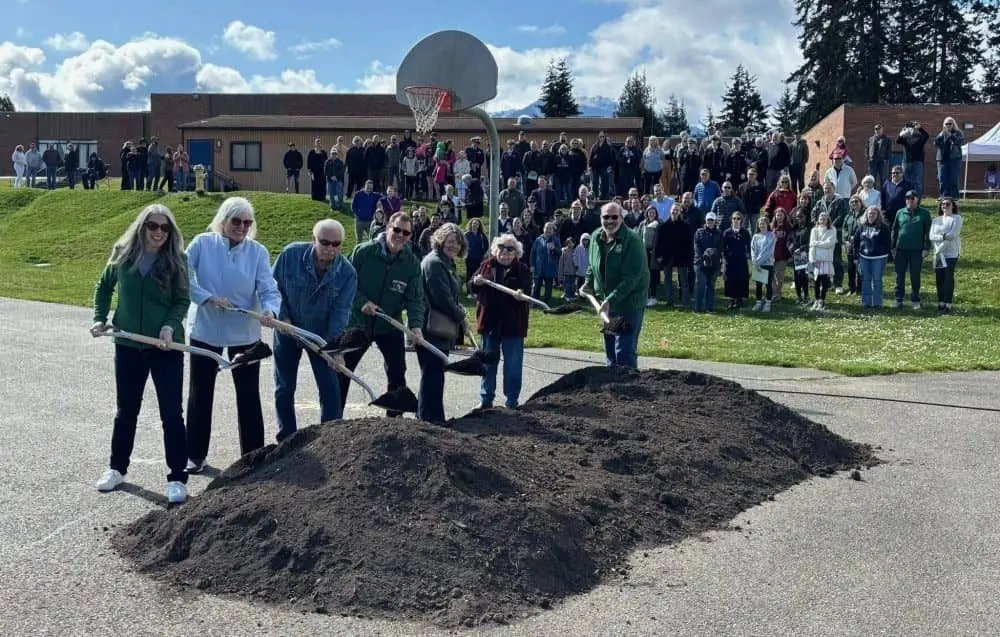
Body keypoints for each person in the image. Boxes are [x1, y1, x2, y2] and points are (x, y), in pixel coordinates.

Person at [89, 204, 191, 503]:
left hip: (165, 348)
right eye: (152, 226)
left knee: (172, 414)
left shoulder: (177, 260)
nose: (158, 232)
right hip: (129, 345)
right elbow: (104, 286)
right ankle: (117, 469)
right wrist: (99, 316)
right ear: (142, 227)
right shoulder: (122, 253)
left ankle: (177, 478)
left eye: (164, 228)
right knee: (126, 411)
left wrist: (170, 328)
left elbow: (182, 301)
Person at [183, 197, 282, 473]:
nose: (241, 227)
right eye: (236, 221)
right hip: (206, 329)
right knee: (200, 392)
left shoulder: (257, 251)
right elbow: (182, 276)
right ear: (223, 221)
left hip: (244, 333)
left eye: (247, 222)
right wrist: (206, 298)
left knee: (248, 394)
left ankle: (252, 456)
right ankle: (194, 454)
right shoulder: (202, 243)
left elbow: (268, 288)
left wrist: (271, 311)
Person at [271, 219, 357, 441]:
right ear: (313, 239)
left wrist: (334, 348)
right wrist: (283, 318)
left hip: (321, 337)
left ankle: (329, 439)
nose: (330, 249)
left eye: (336, 244)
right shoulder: (290, 256)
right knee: (284, 387)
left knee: (330, 389)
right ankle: (286, 439)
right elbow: (273, 289)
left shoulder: (347, 273)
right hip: (287, 330)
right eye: (325, 242)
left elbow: (341, 312)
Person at [337, 211, 426, 417]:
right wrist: (362, 302)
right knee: (342, 370)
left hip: (389, 324)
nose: (400, 235)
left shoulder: (411, 264)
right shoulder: (364, 252)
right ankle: (333, 419)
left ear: (410, 236)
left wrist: (416, 327)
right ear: (387, 228)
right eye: (396, 230)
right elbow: (346, 282)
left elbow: (415, 299)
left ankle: (394, 423)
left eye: (406, 232)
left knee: (397, 372)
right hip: (357, 324)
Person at [581, 201, 649, 368]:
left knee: (624, 350)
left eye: (614, 217)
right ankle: (612, 389)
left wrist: (611, 299)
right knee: (610, 350)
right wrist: (588, 283)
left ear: (621, 218)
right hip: (607, 304)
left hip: (629, 303)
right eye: (606, 217)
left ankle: (630, 389)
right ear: (600, 218)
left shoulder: (633, 241)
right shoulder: (596, 237)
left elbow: (631, 278)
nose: (610, 221)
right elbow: (592, 265)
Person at [470, 234, 533, 409]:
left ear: (516, 253)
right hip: (490, 325)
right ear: (495, 250)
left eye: (510, 249)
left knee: (513, 366)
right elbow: (471, 287)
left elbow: (527, 293)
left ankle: (512, 401)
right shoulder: (486, 266)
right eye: (501, 247)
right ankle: (486, 399)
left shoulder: (523, 270)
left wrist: (521, 294)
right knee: (488, 363)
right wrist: (476, 282)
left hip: (513, 326)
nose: (505, 252)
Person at [417, 223, 469, 424]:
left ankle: (432, 418)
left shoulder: (446, 263)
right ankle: (429, 420)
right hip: (431, 328)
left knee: (435, 375)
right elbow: (442, 298)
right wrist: (461, 317)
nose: (453, 245)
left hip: (440, 329)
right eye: (449, 241)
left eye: (457, 242)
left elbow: (452, 296)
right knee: (432, 375)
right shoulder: (435, 263)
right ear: (440, 240)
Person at [891, 190, 932, 310]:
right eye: (907, 198)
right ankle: (899, 299)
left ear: (917, 199)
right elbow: (895, 230)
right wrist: (892, 247)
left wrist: (926, 248)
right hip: (901, 249)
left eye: (912, 198)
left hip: (917, 250)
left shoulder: (924, 213)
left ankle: (915, 299)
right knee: (899, 275)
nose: (909, 200)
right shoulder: (900, 212)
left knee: (915, 276)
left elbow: (928, 232)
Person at [852, 206, 892, 309]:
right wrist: (856, 256)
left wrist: (881, 252)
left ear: (878, 215)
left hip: (879, 257)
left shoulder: (883, 227)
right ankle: (866, 302)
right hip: (864, 257)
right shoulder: (861, 226)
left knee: (877, 280)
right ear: (866, 214)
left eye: (874, 214)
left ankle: (877, 303)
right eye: (870, 213)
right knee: (866, 280)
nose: (871, 215)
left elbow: (888, 243)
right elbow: (856, 241)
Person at [929, 197, 963, 313]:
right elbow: (931, 236)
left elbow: (953, 235)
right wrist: (943, 236)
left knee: (948, 278)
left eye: (947, 204)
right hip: (938, 253)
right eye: (943, 204)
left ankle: (948, 304)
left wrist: (941, 244)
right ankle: (941, 302)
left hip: (951, 253)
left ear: (952, 206)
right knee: (939, 278)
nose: (944, 206)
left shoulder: (956, 218)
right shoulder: (936, 220)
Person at [693, 211, 723, 312]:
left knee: (711, 286)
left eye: (712, 220)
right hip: (700, 263)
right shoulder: (699, 232)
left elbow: (720, 248)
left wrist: (715, 259)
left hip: (714, 264)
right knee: (701, 286)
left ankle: (710, 308)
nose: (710, 222)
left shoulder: (719, 233)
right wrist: (703, 259)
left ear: (715, 221)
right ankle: (698, 308)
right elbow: (697, 247)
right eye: (708, 220)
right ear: (705, 221)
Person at [809, 211, 837, 312]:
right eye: (821, 216)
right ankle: (816, 299)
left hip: (826, 259)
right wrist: (811, 259)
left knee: (824, 280)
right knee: (816, 281)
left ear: (828, 219)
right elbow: (811, 245)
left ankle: (822, 300)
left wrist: (817, 244)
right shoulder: (814, 230)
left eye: (825, 217)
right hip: (816, 259)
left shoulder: (832, 229)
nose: (822, 218)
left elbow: (829, 243)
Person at [750, 216, 776, 312]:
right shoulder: (756, 236)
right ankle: (758, 302)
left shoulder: (771, 235)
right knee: (758, 284)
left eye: (763, 224)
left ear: (767, 224)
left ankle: (768, 303)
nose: (762, 226)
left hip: (767, 263)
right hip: (757, 264)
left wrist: (758, 261)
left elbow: (769, 251)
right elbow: (753, 249)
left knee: (768, 284)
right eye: (760, 224)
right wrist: (754, 261)